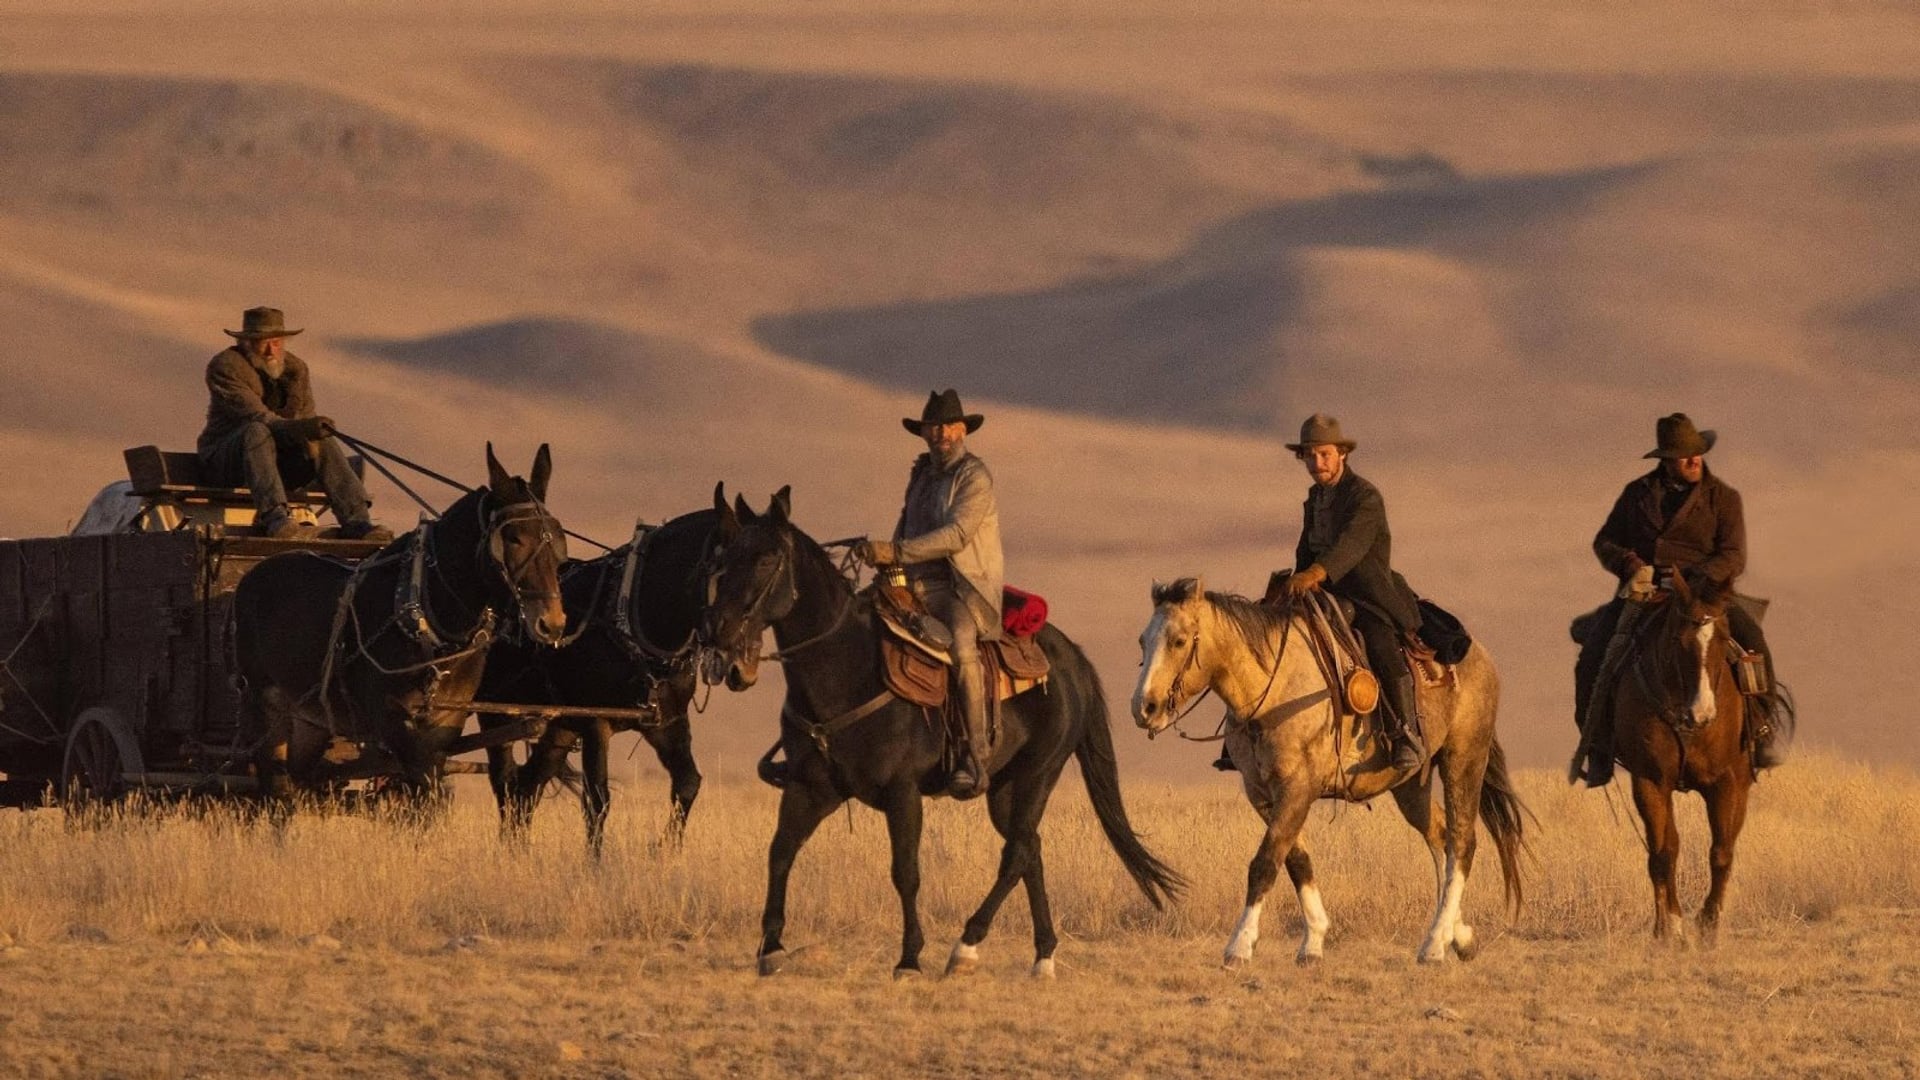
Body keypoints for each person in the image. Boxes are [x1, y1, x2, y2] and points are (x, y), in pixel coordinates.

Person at [1572, 413, 1783, 787]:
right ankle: (1599, 747)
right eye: (1684, 455)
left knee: (1755, 645)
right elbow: (1604, 542)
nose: (1694, 460)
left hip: (1707, 595)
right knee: (1593, 657)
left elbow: (1734, 555)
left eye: (1697, 453)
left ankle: (1761, 733)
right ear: (1666, 460)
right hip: (1646, 594)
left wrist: (1699, 580)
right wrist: (1632, 564)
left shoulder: (1724, 499)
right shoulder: (1636, 495)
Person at [856, 389, 1004, 799]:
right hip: (912, 582)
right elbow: (906, 525)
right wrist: (886, 562)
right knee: (856, 621)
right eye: (931, 427)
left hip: (957, 589)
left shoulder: (975, 477)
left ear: (962, 429)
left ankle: (975, 755)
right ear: (922, 433)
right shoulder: (921, 474)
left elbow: (957, 535)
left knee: (960, 646)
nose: (939, 433)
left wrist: (897, 551)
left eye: (946, 426)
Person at [1272, 413, 1426, 772]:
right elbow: (1306, 548)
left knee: (1381, 646)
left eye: (1323, 454)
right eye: (1309, 456)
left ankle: (1406, 734)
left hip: (1369, 594)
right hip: (1325, 593)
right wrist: (1293, 581)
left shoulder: (1365, 496)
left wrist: (1315, 573)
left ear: (1342, 453)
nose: (1316, 463)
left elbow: (1351, 545)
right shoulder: (1315, 498)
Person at [196, 307, 391, 543]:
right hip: (227, 462)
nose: (270, 350)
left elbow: (305, 419)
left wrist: (313, 432)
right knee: (257, 431)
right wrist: (303, 428)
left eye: (276, 342)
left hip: (276, 465)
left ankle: (357, 522)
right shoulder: (226, 367)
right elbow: (258, 417)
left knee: (323, 439)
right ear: (246, 342)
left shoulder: (296, 370)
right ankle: (275, 518)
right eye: (262, 342)